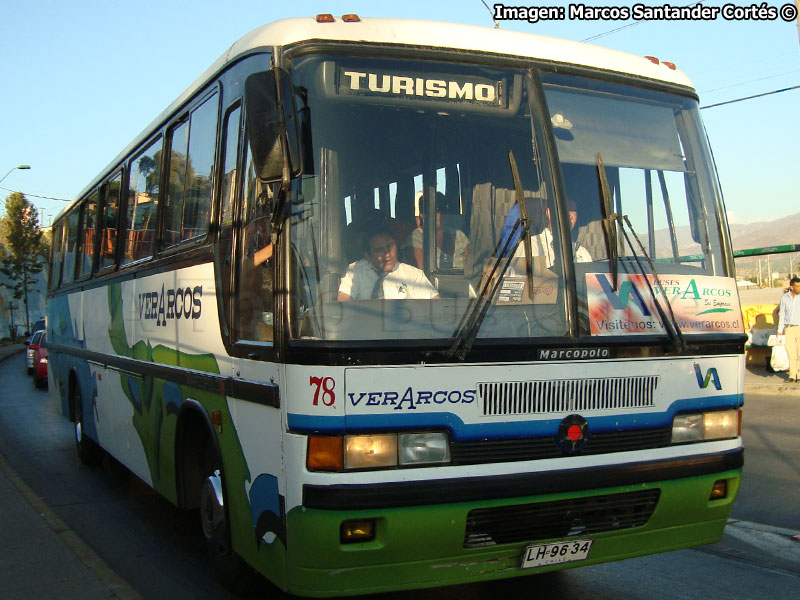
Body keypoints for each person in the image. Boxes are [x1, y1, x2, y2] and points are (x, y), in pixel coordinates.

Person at [338, 229, 440, 300]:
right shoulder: (355, 271)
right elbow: (344, 301)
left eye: (389, 246)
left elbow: (435, 305)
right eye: (379, 250)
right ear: (368, 256)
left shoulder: (413, 275)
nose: (387, 254)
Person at [499, 198, 591, 267]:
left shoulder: (582, 253)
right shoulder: (528, 248)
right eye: (565, 209)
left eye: (574, 212)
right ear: (549, 213)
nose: (570, 215)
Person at [410, 192, 469, 270]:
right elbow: (422, 272)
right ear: (422, 214)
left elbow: (474, 265)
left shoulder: (459, 235)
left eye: (443, 209)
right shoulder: (417, 236)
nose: (440, 215)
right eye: (436, 210)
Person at [776, 276, 800, 382]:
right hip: (789, 328)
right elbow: (782, 314)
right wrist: (779, 331)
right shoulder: (785, 298)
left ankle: (799, 375)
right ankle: (792, 375)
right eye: (797, 286)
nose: (799, 288)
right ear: (791, 287)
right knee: (791, 352)